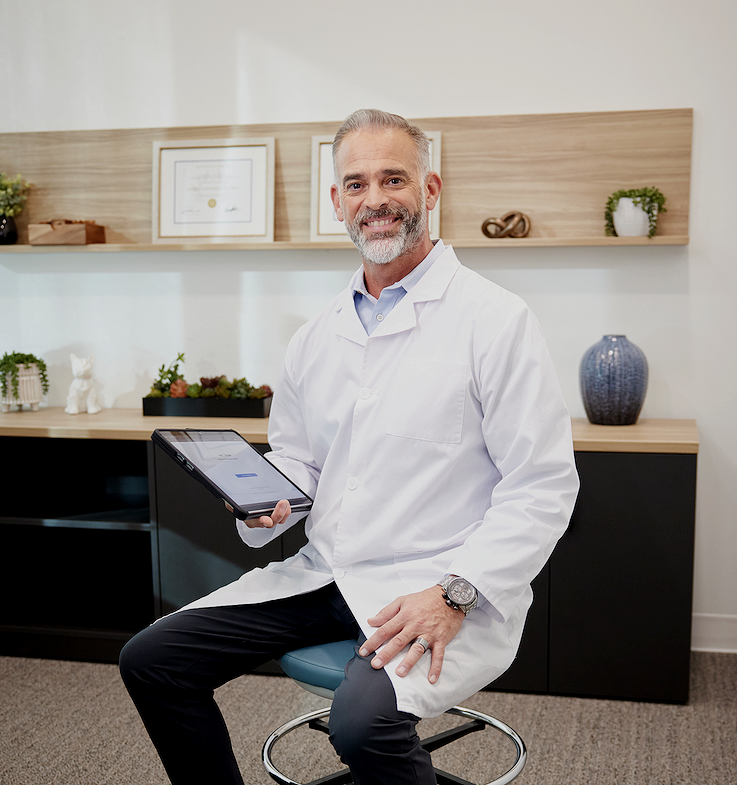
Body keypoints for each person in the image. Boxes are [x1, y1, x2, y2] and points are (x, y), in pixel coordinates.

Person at [120, 108, 579, 785]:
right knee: (151, 658)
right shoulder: (316, 336)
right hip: (330, 571)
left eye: (394, 178)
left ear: (429, 190)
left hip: (442, 584)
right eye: (356, 184)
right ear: (337, 202)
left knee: (361, 726)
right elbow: (301, 459)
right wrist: (265, 499)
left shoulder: (494, 321)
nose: (376, 200)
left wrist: (453, 594)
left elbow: (540, 486)